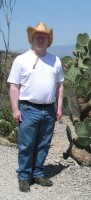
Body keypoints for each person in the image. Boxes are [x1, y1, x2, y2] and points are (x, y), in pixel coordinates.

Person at [7, 22, 64, 192]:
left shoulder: (56, 60)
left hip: (49, 109)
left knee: (43, 144)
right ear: (31, 39)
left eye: (44, 37)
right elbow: (14, 87)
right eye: (37, 36)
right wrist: (15, 110)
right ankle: (24, 176)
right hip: (28, 108)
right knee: (26, 144)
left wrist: (59, 108)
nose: (40, 39)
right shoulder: (21, 60)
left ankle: (38, 173)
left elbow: (60, 86)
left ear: (49, 40)